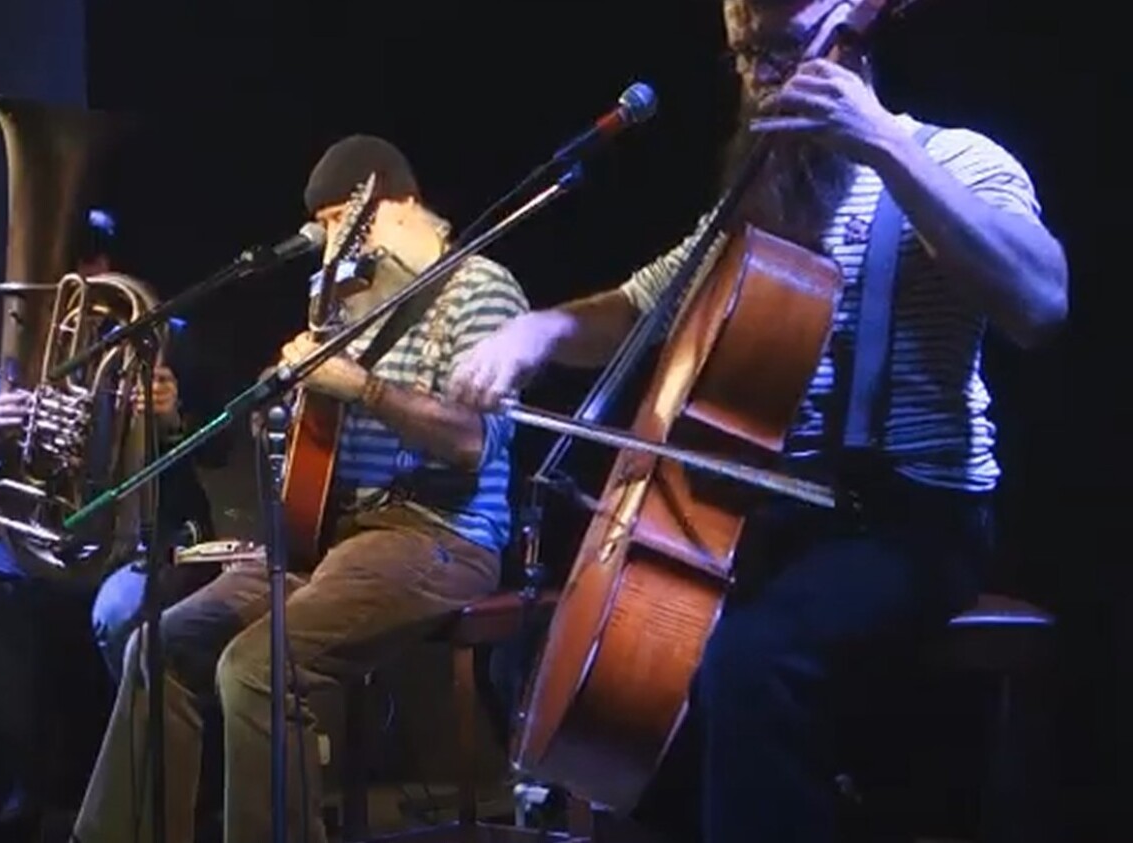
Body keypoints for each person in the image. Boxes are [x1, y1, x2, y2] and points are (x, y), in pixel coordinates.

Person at [446, 0, 1069, 840]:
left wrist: (884, 147)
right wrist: (536, 332)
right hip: (772, 518)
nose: (760, 80)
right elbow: (639, 306)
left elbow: (1041, 301)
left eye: (779, 52)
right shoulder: (762, 202)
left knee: (751, 658)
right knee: (562, 659)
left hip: (911, 518)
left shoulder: (954, 160)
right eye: (744, 57)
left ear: (847, 41)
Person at [71, 135, 531, 843]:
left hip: (438, 534)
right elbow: (312, 447)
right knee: (160, 646)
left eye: (347, 221)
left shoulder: (480, 289)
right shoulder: (350, 306)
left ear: (402, 204)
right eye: (326, 230)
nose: (337, 246)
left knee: (257, 668)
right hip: (329, 537)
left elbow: (475, 441)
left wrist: (363, 388)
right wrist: (281, 406)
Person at [0, 208, 232, 840]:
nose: (86, 273)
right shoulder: (30, 343)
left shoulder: (169, 337)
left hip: (148, 539)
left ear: (109, 261)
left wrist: (172, 418)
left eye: (93, 258)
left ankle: (154, 791)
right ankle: (30, 784)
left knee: (119, 614)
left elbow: (221, 446)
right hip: (60, 538)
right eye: (71, 261)